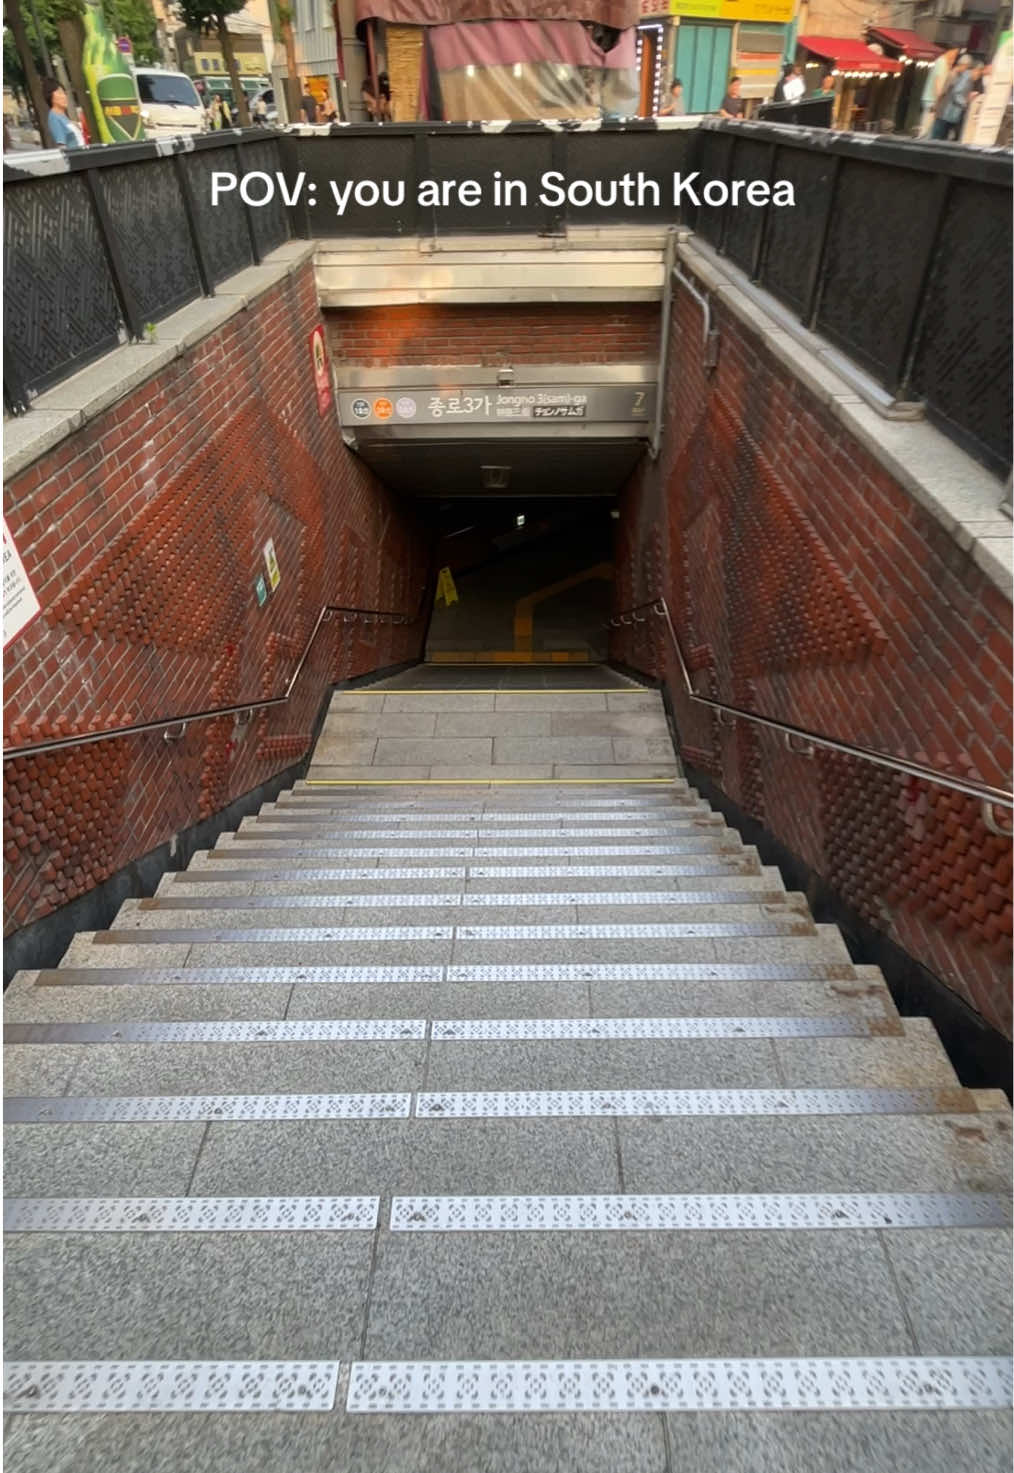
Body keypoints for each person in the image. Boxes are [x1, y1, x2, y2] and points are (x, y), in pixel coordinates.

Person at [932, 53, 974, 140]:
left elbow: (947, 92)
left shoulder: (958, 75)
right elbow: (944, 92)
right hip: (945, 112)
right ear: (963, 65)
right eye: (967, 66)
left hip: (947, 112)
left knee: (939, 137)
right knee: (938, 138)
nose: (967, 69)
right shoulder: (955, 75)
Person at [919, 45, 958, 136]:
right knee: (927, 126)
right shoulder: (942, 62)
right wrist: (938, 100)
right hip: (932, 99)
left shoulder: (943, 62)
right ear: (949, 51)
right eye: (955, 53)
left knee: (928, 125)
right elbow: (938, 81)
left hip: (932, 98)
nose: (955, 56)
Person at [42, 77, 83, 149]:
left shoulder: (62, 116)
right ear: (50, 95)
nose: (64, 96)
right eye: (60, 93)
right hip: (76, 157)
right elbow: (62, 147)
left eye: (64, 93)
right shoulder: (54, 117)